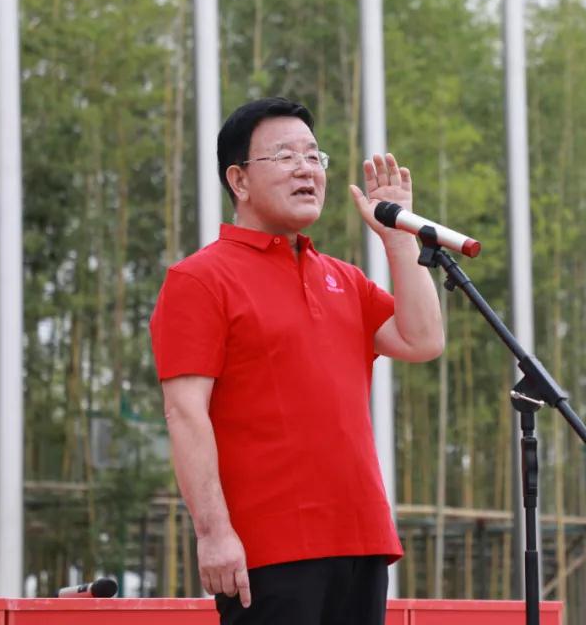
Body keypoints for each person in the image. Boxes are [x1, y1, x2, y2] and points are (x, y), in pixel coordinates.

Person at [149, 97, 443, 625]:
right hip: (269, 549)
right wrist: (214, 532)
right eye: (285, 156)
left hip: (361, 540)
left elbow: (422, 340)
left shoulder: (343, 278)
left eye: (314, 156)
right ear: (239, 180)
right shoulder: (199, 279)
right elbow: (185, 413)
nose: (307, 169)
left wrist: (399, 242)